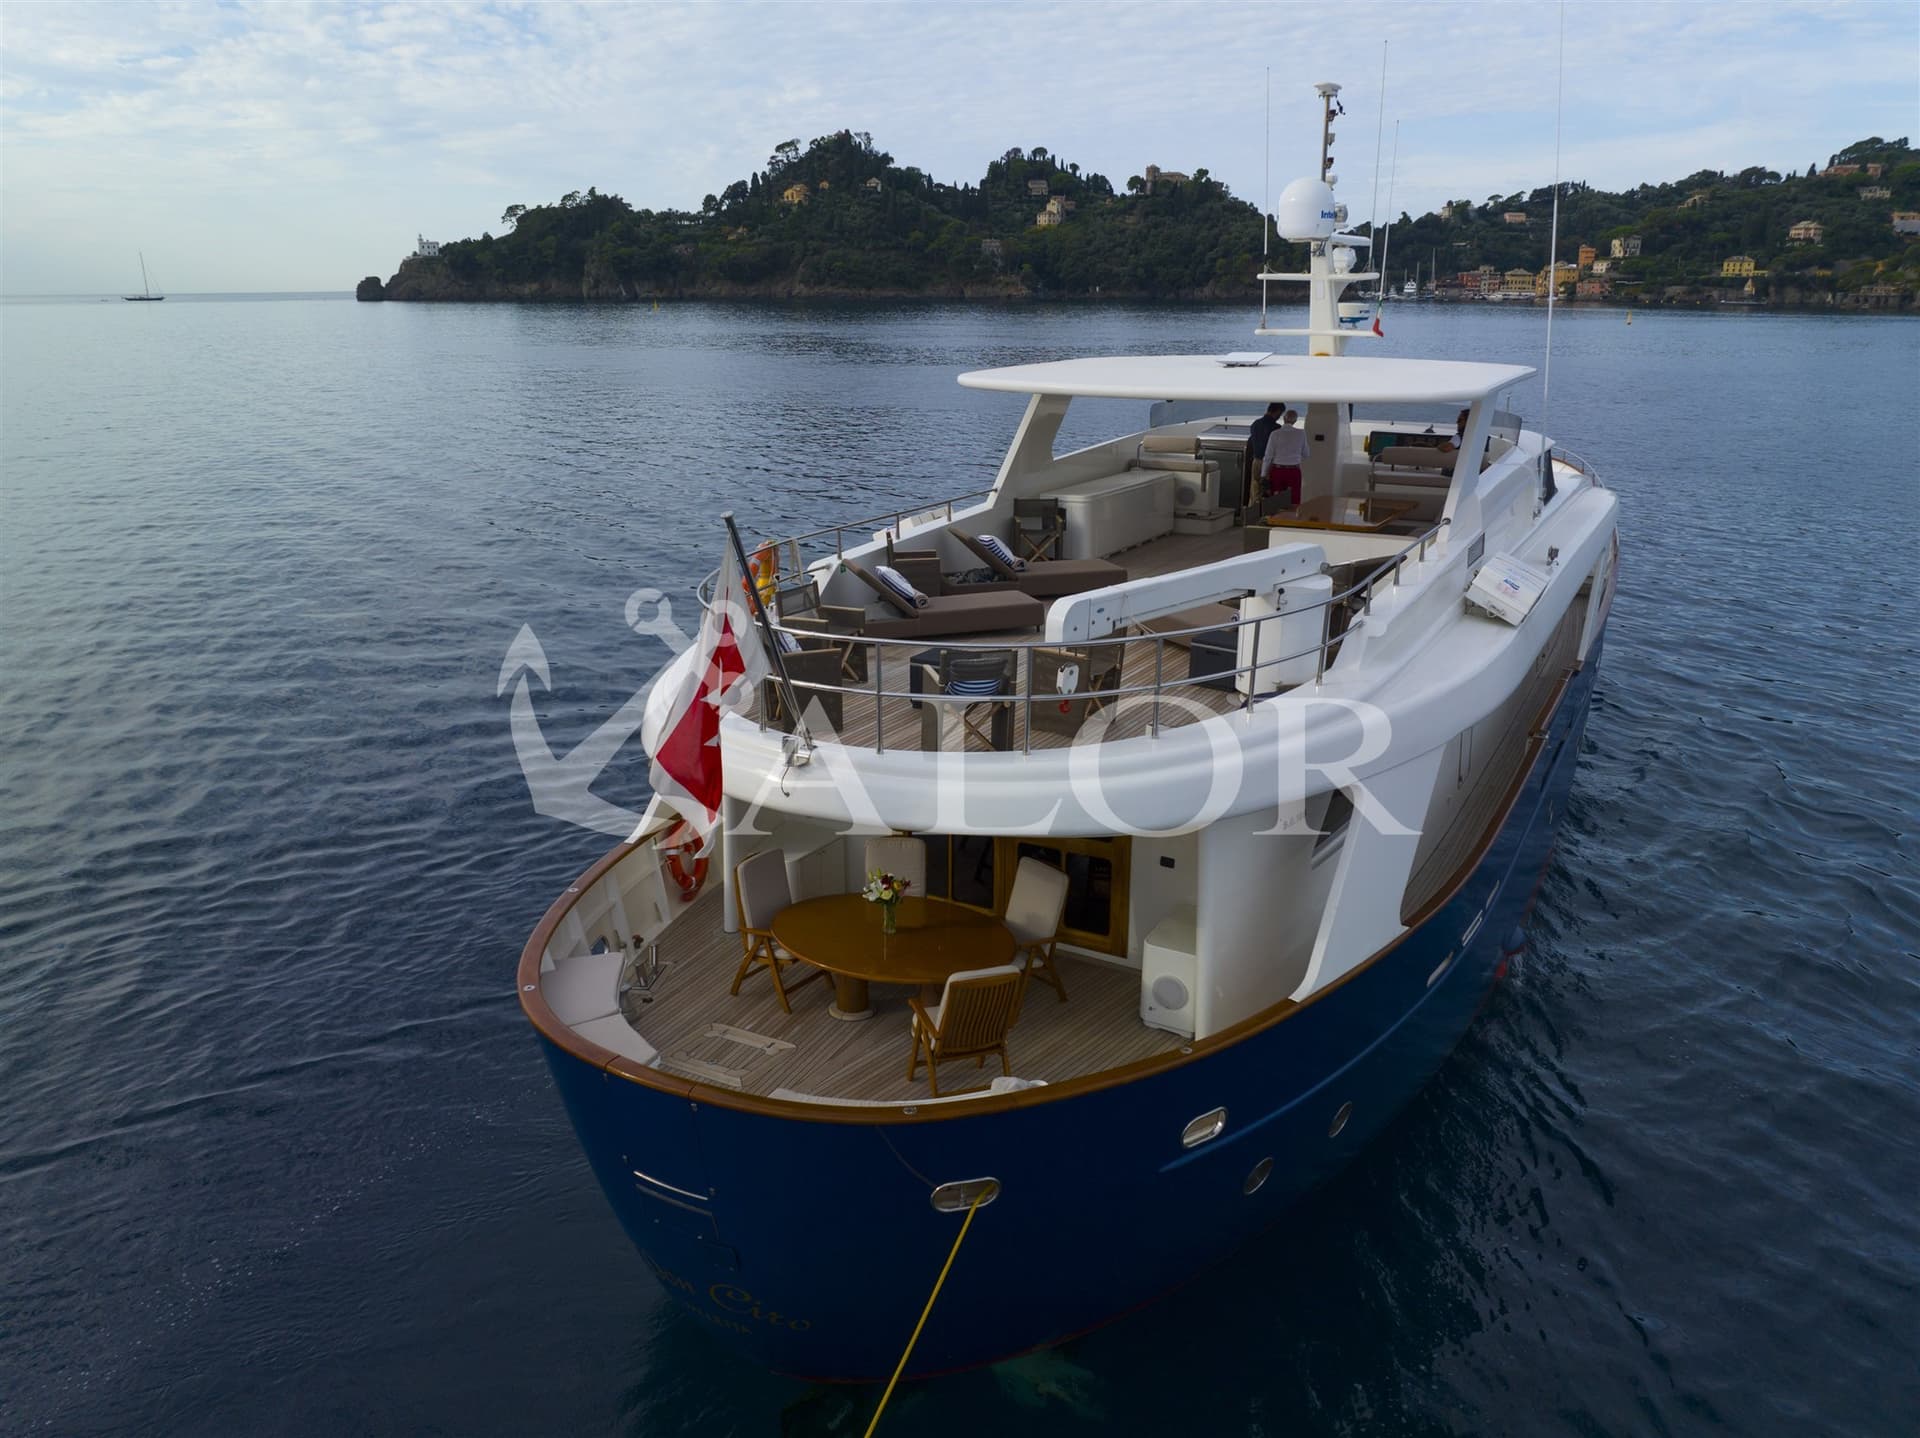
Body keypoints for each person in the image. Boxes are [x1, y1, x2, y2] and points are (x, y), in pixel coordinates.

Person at [1261, 408, 1310, 508]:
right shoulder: (1301, 434)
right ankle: (1291, 520)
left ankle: (1275, 520)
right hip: (1294, 472)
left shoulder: (1275, 434)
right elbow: (1306, 454)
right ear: (1295, 421)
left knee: (1276, 499)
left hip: (1277, 471)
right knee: (1294, 500)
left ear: (1284, 418)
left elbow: (1268, 456)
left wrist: (1264, 474)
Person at [1244, 402, 1284, 507]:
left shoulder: (1255, 424)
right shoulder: (1276, 428)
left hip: (1256, 461)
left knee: (1255, 489)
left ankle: (1252, 512)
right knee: (1268, 491)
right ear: (1278, 412)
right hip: (1269, 463)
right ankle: (1265, 515)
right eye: (1280, 414)